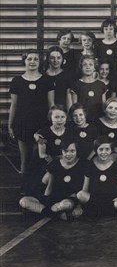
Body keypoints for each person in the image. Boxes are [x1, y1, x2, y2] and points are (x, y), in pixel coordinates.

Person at [9, 50, 55, 181]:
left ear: (40, 62)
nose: (32, 62)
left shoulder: (47, 80)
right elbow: (14, 104)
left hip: (42, 124)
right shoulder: (16, 81)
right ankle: (24, 187)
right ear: (24, 61)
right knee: (25, 159)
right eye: (29, 59)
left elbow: (51, 104)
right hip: (22, 123)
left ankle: (38, 187)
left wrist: (52, 124)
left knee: (38, 156)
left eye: (36, 59)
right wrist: (10, 125)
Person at [19, 138, 85, 220]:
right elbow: (49, 187)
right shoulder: (55, 164)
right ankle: (58, 215)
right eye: (65, 151)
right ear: (62, 152)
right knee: (23, 201)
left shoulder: (82, 164)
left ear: (76, 151)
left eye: (72, 151)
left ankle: (44, 212)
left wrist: (79, 205)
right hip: (54, 197)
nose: (69, 154)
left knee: (66, 204)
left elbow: (83, 190)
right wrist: (46, 202)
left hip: (68, 199)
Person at [77, 136, 117, 218]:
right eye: (101, 149)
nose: (104, 152)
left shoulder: (116, 166)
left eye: (107, 149)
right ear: (96, 150)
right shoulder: (90, 166)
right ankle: (107, 211)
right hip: (94, 199)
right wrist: (78, 206)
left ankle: (97, 212)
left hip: (112, 200)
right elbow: (84, 190)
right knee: (80, 194)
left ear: (111, 150)